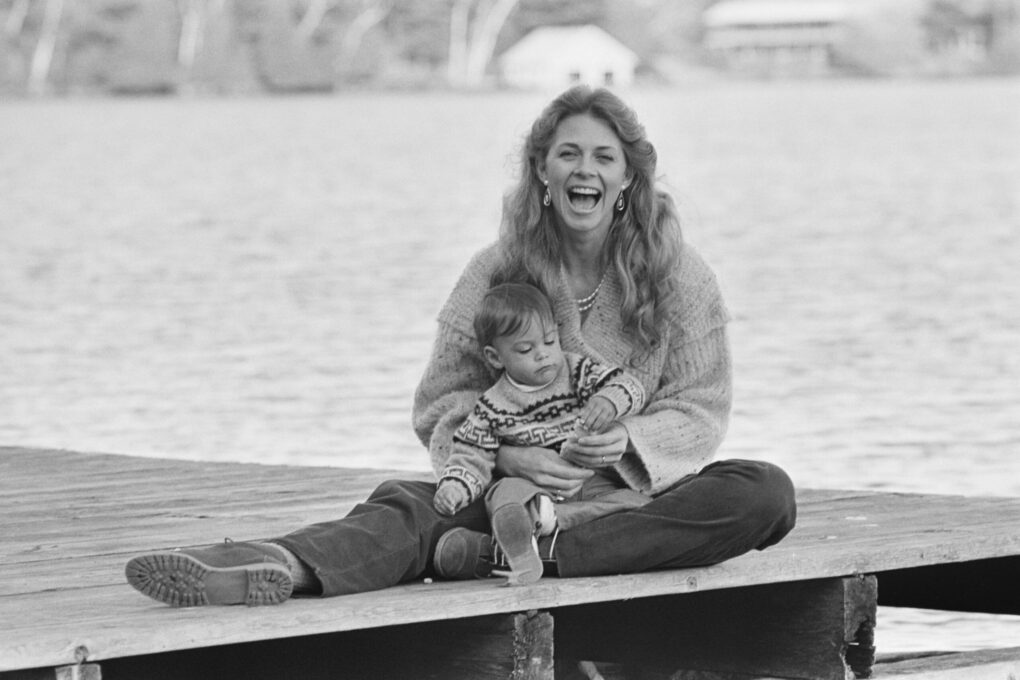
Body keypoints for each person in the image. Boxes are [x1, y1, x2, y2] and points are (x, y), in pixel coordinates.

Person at [124, 85, 797, 608]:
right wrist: (507, 452)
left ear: (627, 180)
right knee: (406, 505)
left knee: (764, 493)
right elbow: (442, 399)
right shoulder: (494, 270)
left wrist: (627, 444)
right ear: (542, 170)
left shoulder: (681, 275)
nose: (583, 169)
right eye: (568, 153)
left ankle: (523, 554)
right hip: (507, 495)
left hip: (630, 500)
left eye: (603, 156)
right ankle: (267, 564)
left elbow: (702, 406)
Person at [432, 282, 650, 584]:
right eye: (526, 349)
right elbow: (470, 455)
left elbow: (630, 385)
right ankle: (523, 545)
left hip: (589, 483)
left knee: (637, 504)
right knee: (504, 495)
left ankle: (548, 526)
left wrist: (609, 401)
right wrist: (454, 487)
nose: (543, 355)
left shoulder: (577, 372)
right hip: (533, 492)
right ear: (496, 357)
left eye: (550, 341)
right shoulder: (493, 406)